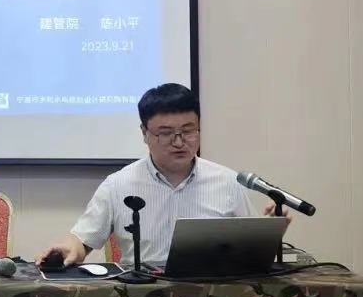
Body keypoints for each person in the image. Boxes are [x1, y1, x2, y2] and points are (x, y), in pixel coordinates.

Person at [38, 83, 280, 267]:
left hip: (212, 296)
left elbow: (251, 252)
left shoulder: (227, 182)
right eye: (166, 133)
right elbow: (81, 241)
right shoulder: (118, 185)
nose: (179, 142)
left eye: (188, 131)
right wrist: (68, 248)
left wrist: (267, 232)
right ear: (144, 133)